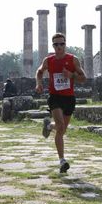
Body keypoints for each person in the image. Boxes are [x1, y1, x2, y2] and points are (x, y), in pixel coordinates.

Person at [35, 32, 87, 173]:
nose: (59, 47)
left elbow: (83, 78)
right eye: (56, 44)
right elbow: (39, 72)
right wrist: (39, 83)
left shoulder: (73, 60)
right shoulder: (49, 60)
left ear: (65, 44)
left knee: (61, 129)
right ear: (53, 45)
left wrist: (71, 75)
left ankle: (48, 125)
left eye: (61, 44)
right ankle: (62, 161)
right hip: (55, 97)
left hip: (69, 98)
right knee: (61, 125)